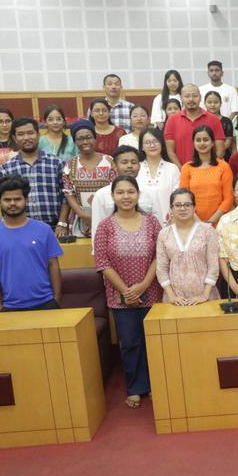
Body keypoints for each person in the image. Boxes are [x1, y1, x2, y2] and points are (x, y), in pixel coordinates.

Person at [93, 175, 163, 409]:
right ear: (113, 196)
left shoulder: (152, 222)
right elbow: (102, 263)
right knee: (130, 342)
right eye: (120, 192)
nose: (126, 197)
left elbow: (160, 256)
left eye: (130, 192)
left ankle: (155, 385)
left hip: (151, 291)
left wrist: (143, 285)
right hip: (119, 296)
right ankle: (135, 387)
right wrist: (126, 290)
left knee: (152, 340)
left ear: (138, 195)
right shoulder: (105, 226)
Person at [0, 175, 63, 312]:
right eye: (7, 199)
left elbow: (53, 265)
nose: (12, 203)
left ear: (26, 200)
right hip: (10, 306)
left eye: (17, 199)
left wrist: (56, 299)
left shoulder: (44, 229)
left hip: (47, 302)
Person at [0, 118, 66, 228]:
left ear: (38, 135)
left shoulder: (56, 163)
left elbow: (66, 196)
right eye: (21, 134)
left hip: (54, 228)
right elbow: (4, 203)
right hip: (20, 229)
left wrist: (61, 224)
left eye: (30, 133)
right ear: (14, 138)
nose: (26, 138)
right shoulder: (6, 168)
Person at [156, 188, 220, 304]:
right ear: (171, 208)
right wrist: (172, 296)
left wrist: (204, 295)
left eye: (187, 204)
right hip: (175, 300)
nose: (182, 208)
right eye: (178, 205)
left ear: (194, 207)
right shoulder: (164, 234)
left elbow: (213, 266)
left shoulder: (207, 231)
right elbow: (161, 269)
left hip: (205, 298)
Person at [90, 146, 158, 239]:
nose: (129, 166)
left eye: (134, 162)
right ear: (114, 165)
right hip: (113, 249)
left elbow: (157, 228)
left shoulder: (150, 193)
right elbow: (96, 231)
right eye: (124, 162)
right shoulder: (101, 195)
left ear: (139, 165)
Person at [178, 125, 233, 225]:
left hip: (220, 222)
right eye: (198, 140)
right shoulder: (187, 168)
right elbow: (184, 198)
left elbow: (228, 199)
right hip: (193, 222)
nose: (202, 143)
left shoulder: (224, 167)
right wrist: (199, 223)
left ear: (212, 143)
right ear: (193, 143)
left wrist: (211, 221)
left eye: (206, 139)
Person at [163, 84, 227, 164]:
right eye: (187, 96)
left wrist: (208, 167)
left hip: (209, 171)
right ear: (181, 98)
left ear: (200, 98)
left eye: (195, 96)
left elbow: (220, 150)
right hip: (181, 171)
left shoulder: (213, 119)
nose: (191, 99)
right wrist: (182, 170)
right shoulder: (172, 120)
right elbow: (170, 152)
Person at [137, 128, 181, 226]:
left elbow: (178, 198)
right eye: (147, 142)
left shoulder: (172, 168)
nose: (152, 145)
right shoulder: (136, 168)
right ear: (142, 147)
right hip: (140, 226)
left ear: (162, 143)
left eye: (155, 141)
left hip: (168, 225)